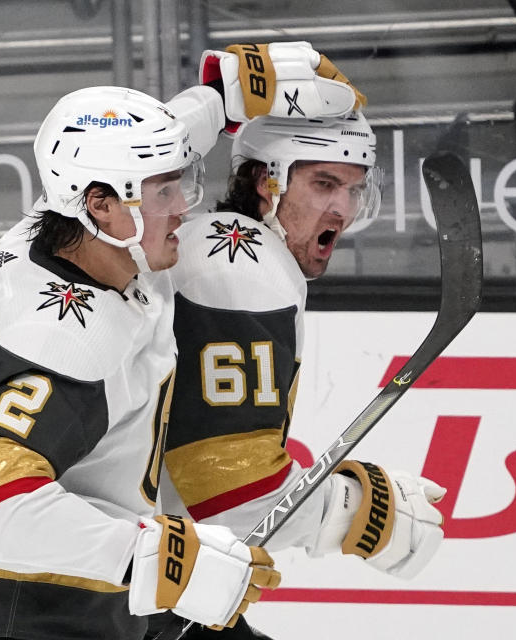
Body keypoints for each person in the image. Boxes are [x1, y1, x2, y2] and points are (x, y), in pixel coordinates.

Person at [0, 43, 362, 640]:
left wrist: (229, 94)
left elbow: (155, 142)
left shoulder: (56, 225)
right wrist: (155, 559)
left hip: (77, 585)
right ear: (101, 206)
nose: (183, 210)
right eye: (163, 195)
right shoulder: (63, 341)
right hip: (25, 605)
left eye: (181, 185)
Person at [156, 57, 449, 639]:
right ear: (267, 183)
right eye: (323, 183)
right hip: (117, 582)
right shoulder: (241, 271)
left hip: (141, 567)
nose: (341, 208)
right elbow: (228, 490)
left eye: (353, 189)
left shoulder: (211, 247)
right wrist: (359, 512)